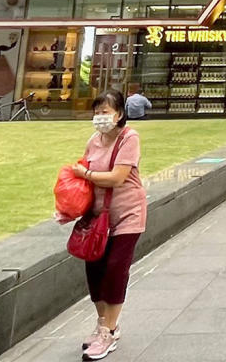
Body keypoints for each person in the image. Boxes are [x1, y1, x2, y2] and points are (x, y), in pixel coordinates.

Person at [69, 90, 146, 361]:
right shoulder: (93, 140)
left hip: (128, 215)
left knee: (115, 269)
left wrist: (86, 174)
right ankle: (103, 324)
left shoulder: (129, 138)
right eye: (97, 111)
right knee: (95, 270)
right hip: (98, 217)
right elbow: (82, 179)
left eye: (106, 111)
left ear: (120, 114)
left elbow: (117, 177)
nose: (101, 117)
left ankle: (109, 332)